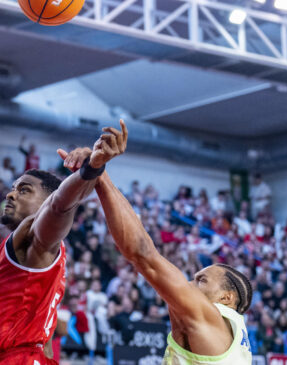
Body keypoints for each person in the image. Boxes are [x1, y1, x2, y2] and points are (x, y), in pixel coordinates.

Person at [59, 121, 253, 365]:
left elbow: (142, 253)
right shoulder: (235, 337)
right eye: (194, 278)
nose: (188, 284)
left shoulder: (210, 317)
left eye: (201, 280)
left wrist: (98, 171)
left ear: (226, 298)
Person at [0, 122, 126, 364]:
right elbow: (47, 340)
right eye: (13, 188)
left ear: (46, 202)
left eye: (24, 190)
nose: (11, 194)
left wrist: (90, 170)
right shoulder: (29, 255)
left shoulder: (36, 237)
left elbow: (60, 207)